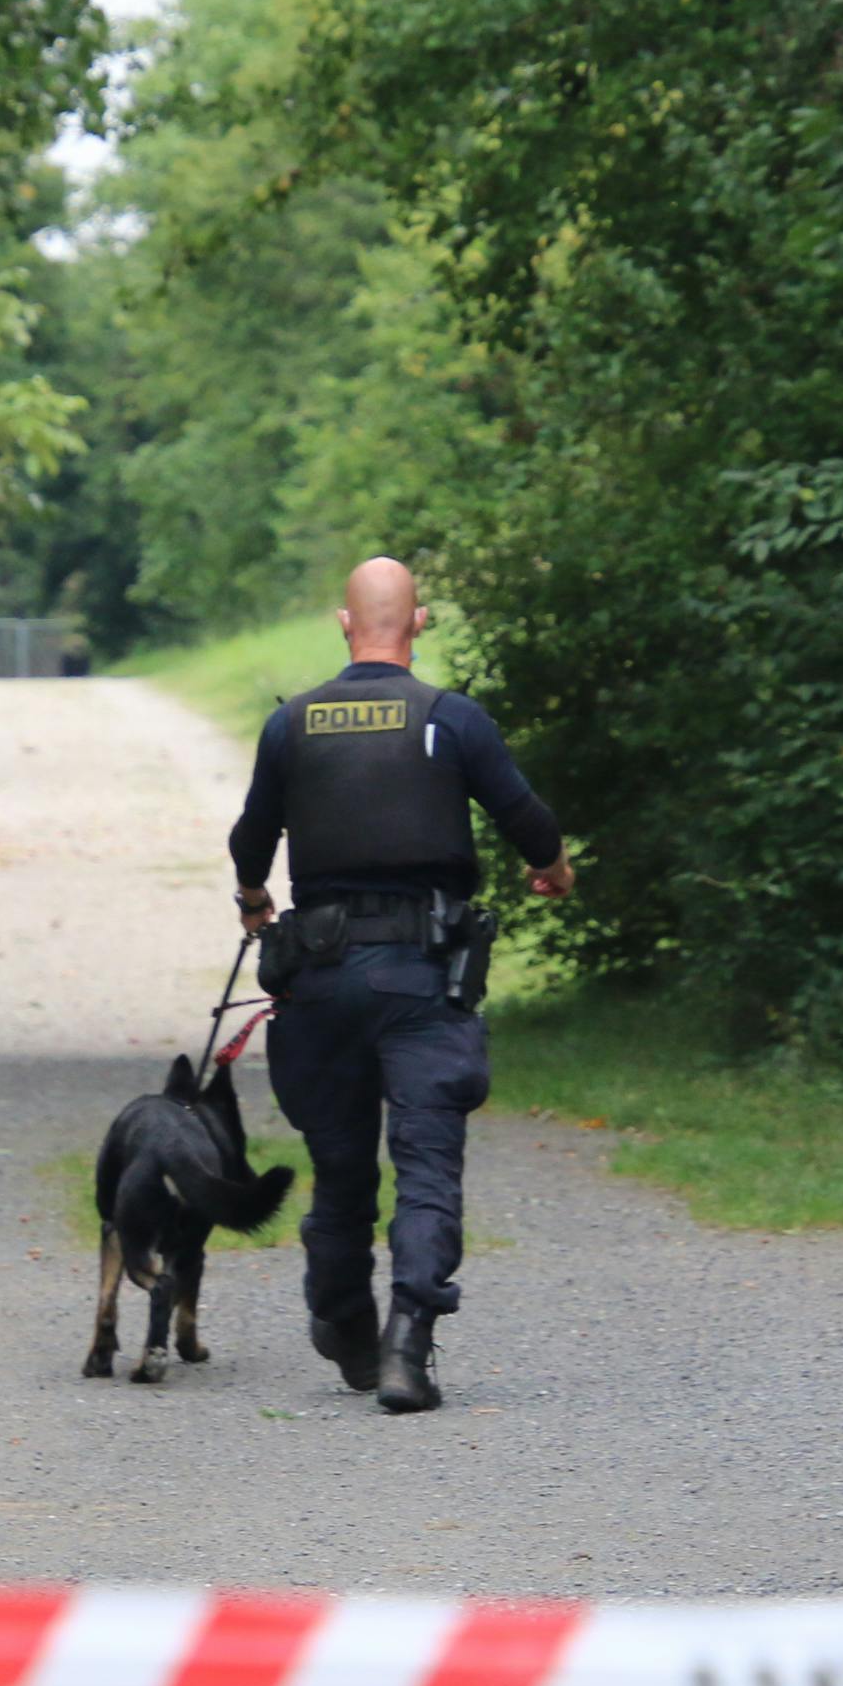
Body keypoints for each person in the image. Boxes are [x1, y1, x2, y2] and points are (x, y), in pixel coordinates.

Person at [228, 557, 573, 1413]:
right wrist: (552, 868)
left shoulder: (293, 725)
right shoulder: (450, 720)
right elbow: (527, 819)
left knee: (340, 1162)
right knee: (426, 1164)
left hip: (322, 978)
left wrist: (253, 898)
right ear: (417, 624)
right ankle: (407, 1346)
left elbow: (250, 838)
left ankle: (344, 1320)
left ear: (345, 625)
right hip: (422, 979)